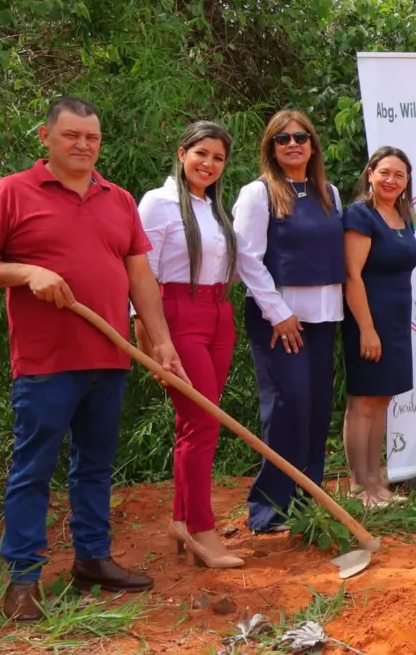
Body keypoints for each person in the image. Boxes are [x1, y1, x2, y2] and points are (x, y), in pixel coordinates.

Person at [0, 97, 184, 622]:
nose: (83, 145)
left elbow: (140, 278)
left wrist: (160, 343)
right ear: (46, 136)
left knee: (95, 467)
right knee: (33, 471)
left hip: (111, 356)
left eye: (92, 138)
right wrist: (25, 273)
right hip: (45, 362)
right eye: (72, 135)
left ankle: (93, 561)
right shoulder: (11, 192)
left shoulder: (117, 199)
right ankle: (23, 582)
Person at [136, 121, 251, 569]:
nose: (209, 164)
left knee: (196, 424)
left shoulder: (216, 209)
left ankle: (182, 520)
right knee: (202, 422)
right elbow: (140, 272)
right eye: (201, 153)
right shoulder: (158, 203)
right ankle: (202, 528)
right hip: (177, 313)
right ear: (182, 153)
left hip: (220, 314)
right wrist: (147, 336)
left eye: (218, 158)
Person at [232, 110, 345, 533]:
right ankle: (268, 509)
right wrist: (278, 313)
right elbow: (247, 257)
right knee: (285, 407)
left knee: (315, 409)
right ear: (271, 147)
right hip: (279, 320)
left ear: (313, 145)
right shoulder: (258, 193)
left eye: (300, 137)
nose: (292, 144)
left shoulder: (327, 191)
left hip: (323, 316)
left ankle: (307, 500)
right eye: (282, 139)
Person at [342, 147, 416, 506]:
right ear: (370, 173)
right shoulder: (361, 215)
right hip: (368, 321)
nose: (391, 180)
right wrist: (366, 329)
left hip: (396, 323)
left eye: (399, 175)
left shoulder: (403, 217)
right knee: (363, 403)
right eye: (385, 172)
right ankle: (359, 487)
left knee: (382, 400)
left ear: (406, 183)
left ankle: (376, 483)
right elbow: (351, 276)